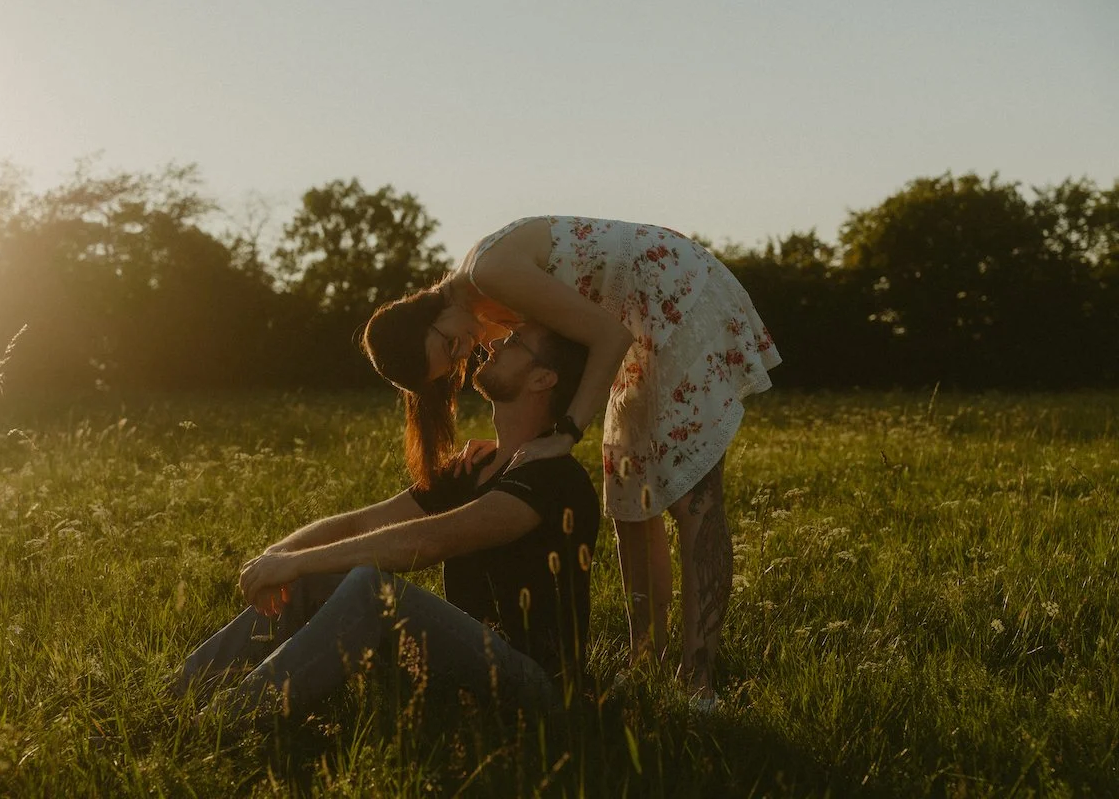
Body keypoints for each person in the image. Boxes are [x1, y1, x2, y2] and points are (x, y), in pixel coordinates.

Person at [362, 216, 781, 697]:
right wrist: (504, 452)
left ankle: (698, 684)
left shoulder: (488, 275)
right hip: (632, 320)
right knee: (631, 497)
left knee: (695, 502)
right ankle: (645, 665)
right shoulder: (476, 308)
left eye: (450, 342)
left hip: (675, 295)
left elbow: (609, 338)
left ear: (423, 312)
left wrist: (568, 431)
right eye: (455, 358)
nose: (467, 348)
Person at [174, 323, 599, 722]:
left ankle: (222, 722)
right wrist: (281, 556)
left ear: (543, 379)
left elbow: (432, 540)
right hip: (462, 668)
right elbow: (364, 522)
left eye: (514, 343)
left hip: (538, 689)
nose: (494, 344)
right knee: (313, 576)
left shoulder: (554, 476)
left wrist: (301, 562)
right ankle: (174, 695)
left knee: (370, 589)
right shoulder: (475, 466)